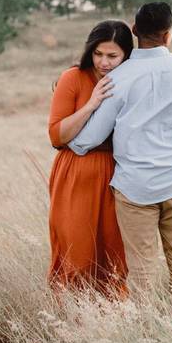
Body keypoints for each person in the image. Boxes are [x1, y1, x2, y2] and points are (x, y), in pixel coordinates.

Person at [69, 2, 172, 302]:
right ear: (168, 35)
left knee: (141, 272)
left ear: (134, 30)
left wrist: (68, 130)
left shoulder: (118, 79)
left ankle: (144, 336)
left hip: (134, 188)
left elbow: (87, 140)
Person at [47, 20, 132, 297]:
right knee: (77, 250)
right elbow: (56, 136)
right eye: (98, 54)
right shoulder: (73, 77)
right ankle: (70, 318)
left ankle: (111, 323)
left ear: (126, 56)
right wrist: (91, 104)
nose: (104, 62)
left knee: (113, 251)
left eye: (112, 56)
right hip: (76, 170)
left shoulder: (130, 79)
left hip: (115, 173)